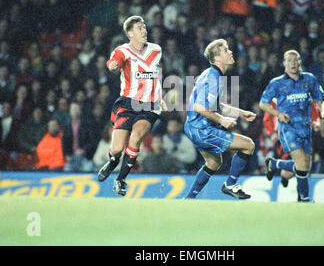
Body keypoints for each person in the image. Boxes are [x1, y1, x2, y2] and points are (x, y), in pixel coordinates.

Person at [97, 15, 166, 196]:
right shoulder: (123, 51)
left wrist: (161, 96)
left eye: (144, 27)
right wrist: (113, 66)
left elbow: (156, 74)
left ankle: (120, 179)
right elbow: (114, 63)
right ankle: (113, 161)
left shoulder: (156, 50)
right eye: (139, 28)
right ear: (130, 33)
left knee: (136, 139)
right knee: (118, 148)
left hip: (150, 105)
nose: (144, 30)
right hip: (128, 103)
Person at [183, 38, 256, 200]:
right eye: (225, 50)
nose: (230, 52)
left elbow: (216, 105)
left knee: (214, 163)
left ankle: (188, 199)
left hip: (191, 127)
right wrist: (222, 120)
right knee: (248, 145)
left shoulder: (210, 74)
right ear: (217, 58)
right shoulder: (214, 77)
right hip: (202, 129)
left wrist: (241, 112)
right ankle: (230, 185)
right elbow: (200, 107)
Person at [259, 49, 324, 202]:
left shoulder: (309, 79)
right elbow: (263, 104)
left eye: (295, 60)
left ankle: (274, 164)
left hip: (306, 127)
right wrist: (278, 114)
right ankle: (304, 199)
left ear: (299, 62)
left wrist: (322, 112)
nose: (293, 63)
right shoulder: (277, 83)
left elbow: (319, 98)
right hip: (288, 127)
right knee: (301, 164)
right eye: (289, 60)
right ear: (284, 63)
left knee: (305, 166)